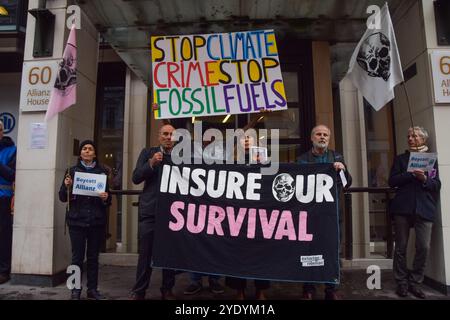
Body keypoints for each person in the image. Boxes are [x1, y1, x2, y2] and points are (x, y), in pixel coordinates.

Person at [298, 124, 352, 300]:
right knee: (308, 251)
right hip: (310, 215)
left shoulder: (337, 157)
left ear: (328, 138)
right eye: (319, 134)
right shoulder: (302, 159)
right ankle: (308, 288)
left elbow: (346, 183)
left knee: (333, 251)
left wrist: (342, 170)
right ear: (312, 138)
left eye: (325, 135)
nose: (322, 137)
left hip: (332, 215)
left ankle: (332, 289)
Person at [389, 126, 441, 299]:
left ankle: (415, 282)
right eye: (409, 136)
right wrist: (410, 174)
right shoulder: (401, 159)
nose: (411, 139)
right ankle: (401, 283)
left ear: (423, 139)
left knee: (423, 247)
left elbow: (436, 184)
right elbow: (392, 181)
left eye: (415, 136)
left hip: (424, 208)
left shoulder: (430, 160)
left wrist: (424, 179)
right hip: (402, 208)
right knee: (401, 248)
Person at [129, 124, 177, 300]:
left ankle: (167, 290)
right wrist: (151, 163)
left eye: (171, 134)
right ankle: (139, 291)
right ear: (159, 136)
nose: (168, 137)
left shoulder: (182, 157)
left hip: (173, 213)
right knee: (145, 255)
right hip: (150, 211)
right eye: (165, 134)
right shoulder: (147, 153)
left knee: (169, 254)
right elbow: (135, 178)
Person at [59, 140, 111, 300]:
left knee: (93, 257)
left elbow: (108, 201)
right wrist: (66, 186)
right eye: (84, 149)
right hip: (77, 221)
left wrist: (105, 197)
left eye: (90, 149)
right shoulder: (71, 171)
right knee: (77, 257)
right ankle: (75, 289)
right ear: (80, 153)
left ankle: (92, 289)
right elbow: (62, 197)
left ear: (94, 154)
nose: (87, 151)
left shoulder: (102, 172)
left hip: (96, 221)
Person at [0, 120, 16, 284]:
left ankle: (4, 271)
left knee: (3, 236)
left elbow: (12, 174)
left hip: (2, 197)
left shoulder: (12, 150)